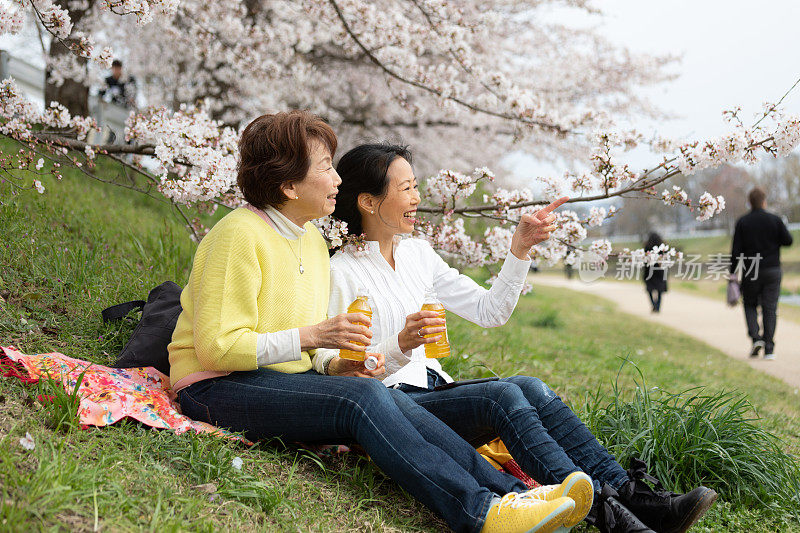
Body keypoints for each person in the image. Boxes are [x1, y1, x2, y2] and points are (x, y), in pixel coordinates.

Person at [168, 111, 585, 533]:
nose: (337, 180)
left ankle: (510, 495)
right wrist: (313, 336)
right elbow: (218, 347)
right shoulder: (238, 234)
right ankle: (481, 513)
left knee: (376, 393)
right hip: (215, 385)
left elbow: (309, 351)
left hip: (275, 377)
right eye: (326, 168)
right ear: (289, 186)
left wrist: (335, 364)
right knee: (362, 400)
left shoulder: (312, 242)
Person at [324, 143, 719, 533]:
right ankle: (608, 514)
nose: (417, 197)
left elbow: (489, 311)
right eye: (406, 188)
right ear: (368, 202)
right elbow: (338, 372)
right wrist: (400, 345)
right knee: (502, 395)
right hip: (399, 408)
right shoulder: (341, 272)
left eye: (415, 185)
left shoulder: (419, 255)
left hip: (438, 389)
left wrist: (519, 250)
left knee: (530, 386)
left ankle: (636, 497)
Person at [729, 186, 794, 360]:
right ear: (764, 201)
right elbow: (788, 241)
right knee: (770, 307)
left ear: (749, 203)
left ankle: (756, 338)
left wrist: (732, 274)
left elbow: (736, 252)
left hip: (751, 270)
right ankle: (770, 348)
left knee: (750, 304)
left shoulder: (743, 222)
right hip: (773, 269)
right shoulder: (775, 219)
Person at [643, 233, 668, 313]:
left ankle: (654, 305)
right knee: (660, 290)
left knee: (650, 290)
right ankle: (657, 306)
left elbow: (644, 261)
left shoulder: (647, 247)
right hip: (661, 272)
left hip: (649, 272)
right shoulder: (663, 248)